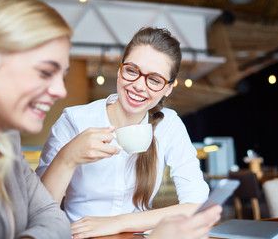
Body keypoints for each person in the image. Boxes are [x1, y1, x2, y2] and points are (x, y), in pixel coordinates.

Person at [37, 27, 221, 238]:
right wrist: (67, 157)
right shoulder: (75, 121)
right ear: (119, 69)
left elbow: (197, 205)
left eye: (154, 80)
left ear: (168, 88)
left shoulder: (168, 124)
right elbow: (39, 212)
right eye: (132, 70)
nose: (139, 86)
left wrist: (117, 223)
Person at [0, 0, 72, 237]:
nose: (61, 91)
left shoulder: (7, 137)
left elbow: (51, 213)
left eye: (63, 76)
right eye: (45, 72)